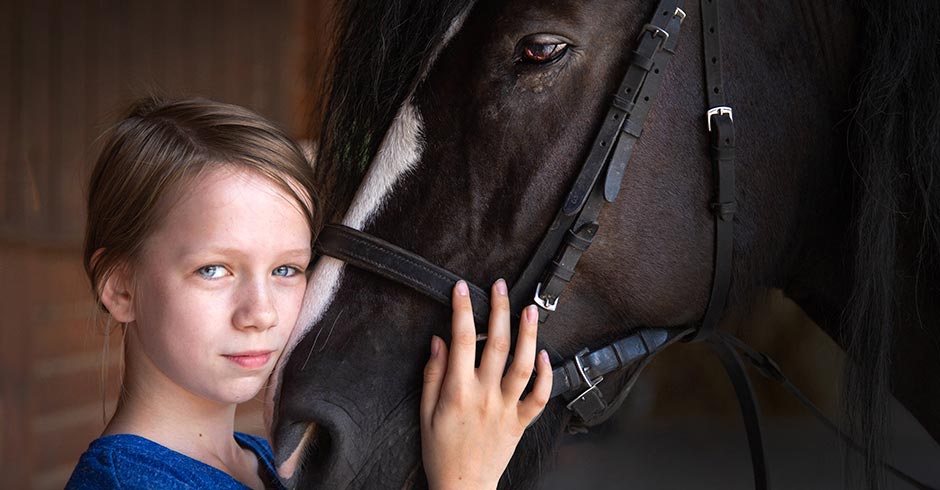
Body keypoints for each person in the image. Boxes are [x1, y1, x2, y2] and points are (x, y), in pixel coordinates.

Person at [66, 97, 552, 490]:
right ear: (120, 287)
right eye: (213, 269)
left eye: (286, 269)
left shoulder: (261, 462)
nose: (259, 313)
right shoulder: (127, 483)